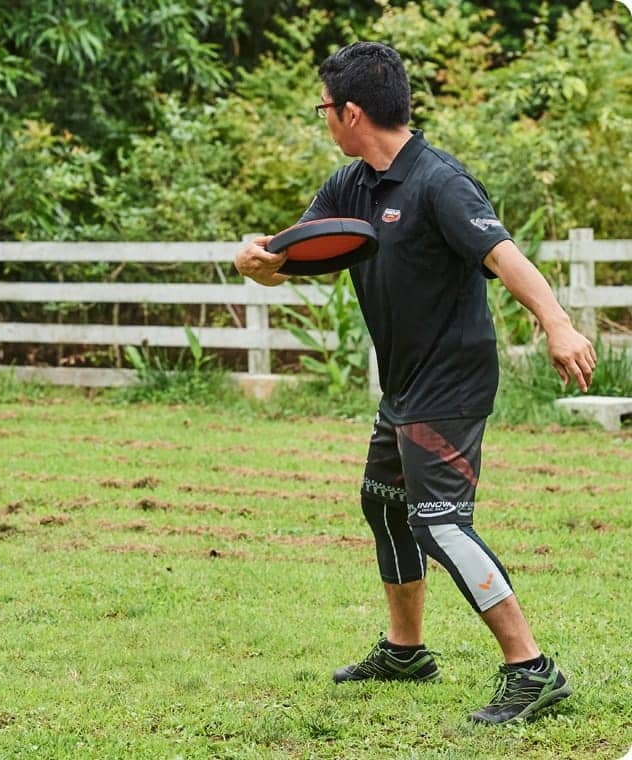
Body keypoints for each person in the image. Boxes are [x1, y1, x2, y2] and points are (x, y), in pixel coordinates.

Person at [234, 42, 596, 724]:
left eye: (324, 107)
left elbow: (505, 257)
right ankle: (406, 651)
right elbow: (298, 252)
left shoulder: (439, 182)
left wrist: (558, 325)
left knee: (440, 525)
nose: (324, 118)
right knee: (384, 503)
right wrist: (259, 260)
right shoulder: (354, 185)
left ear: (350, 111)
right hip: (404, 386)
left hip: (451, 384)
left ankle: (532, 669)